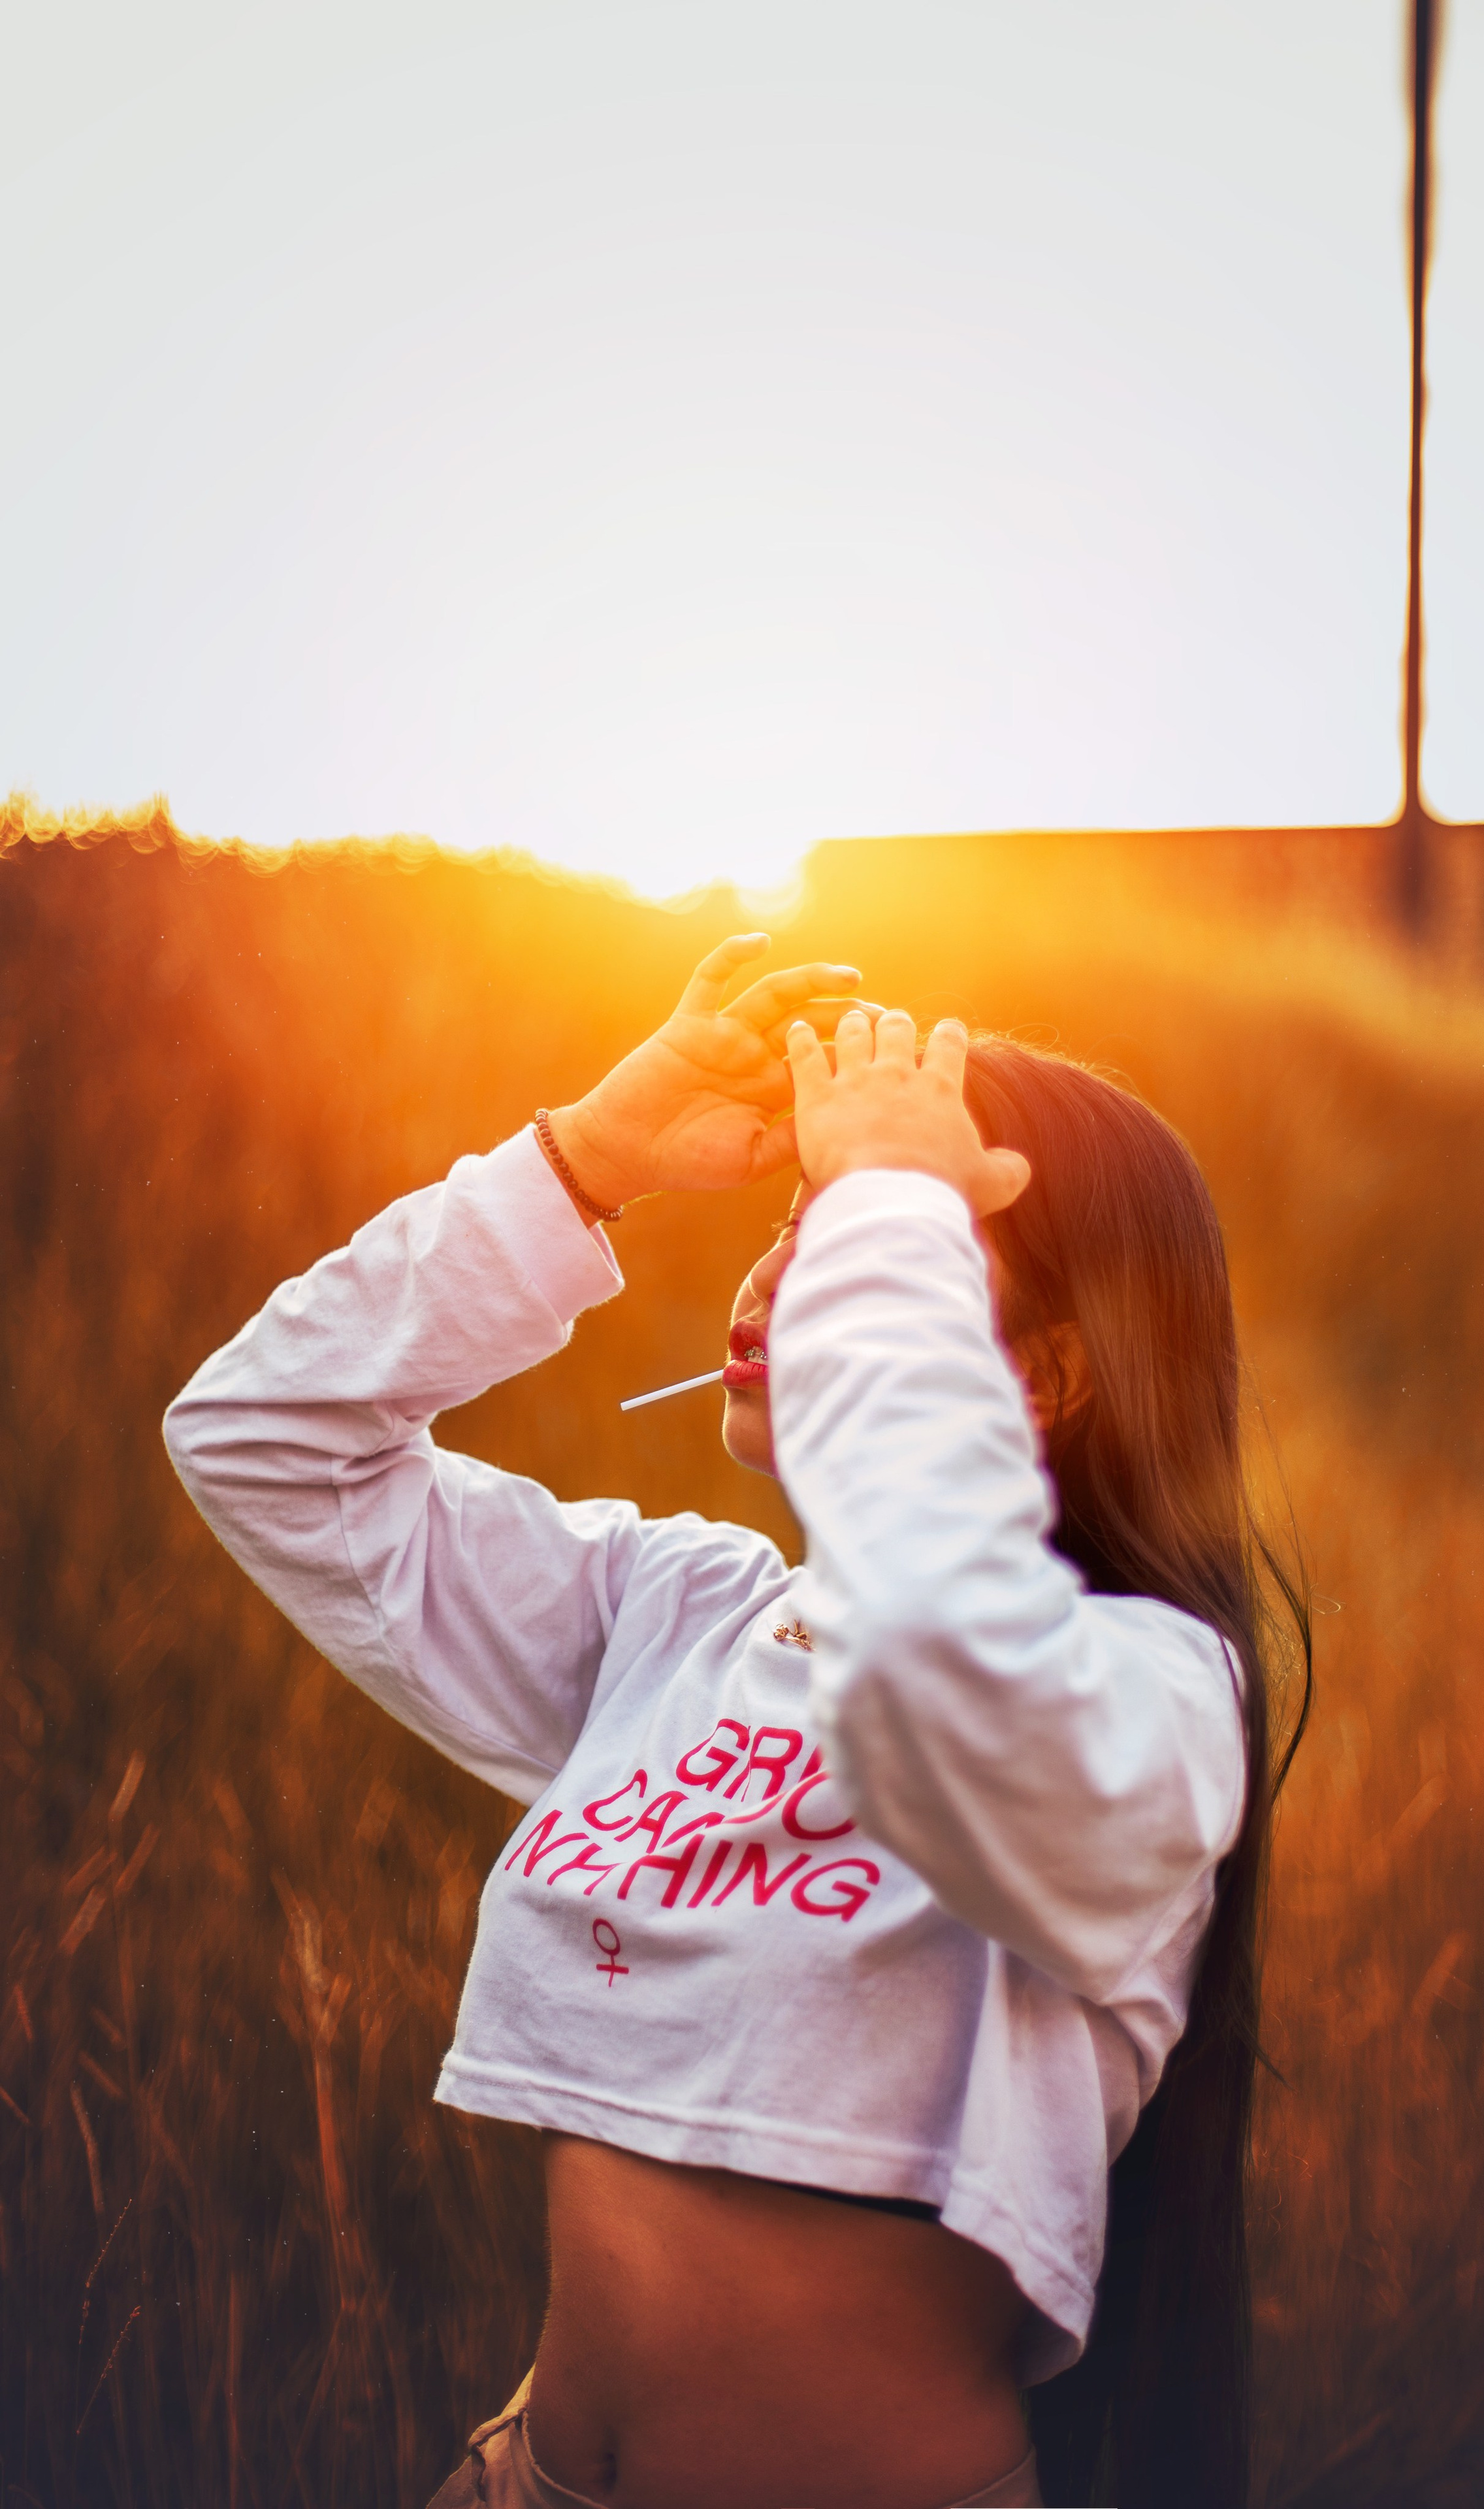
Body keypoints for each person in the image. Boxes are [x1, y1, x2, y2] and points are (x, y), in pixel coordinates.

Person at [164, 935, 1309, 2509]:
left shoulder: (1152, 1703)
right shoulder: (681, 1610)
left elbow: (937, 1674)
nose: (782, 1279)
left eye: (854, 1247)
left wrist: (889, 1205)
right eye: (792, 1229)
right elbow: (263, 1440)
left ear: (1039, 1379)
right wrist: (586, 1161)